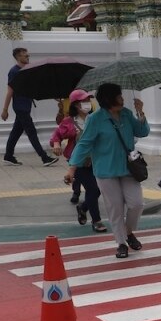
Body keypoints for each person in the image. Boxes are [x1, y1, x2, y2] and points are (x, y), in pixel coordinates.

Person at [64, 83, 149, 259]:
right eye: (118, 95)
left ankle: (128, 231)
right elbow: (84, 144)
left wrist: (140, 112)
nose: (122, 98)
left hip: (128, 168)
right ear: (109, 98)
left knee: (137, 203)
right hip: (105, 171)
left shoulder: (126, 114)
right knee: (115, 208)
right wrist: (72, 169)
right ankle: (121, 243)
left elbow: (142, 131)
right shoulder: (95, 119)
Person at [49, 89, 106, 232]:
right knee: (92, 189)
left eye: (88, 100)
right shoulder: (69, 122)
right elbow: (56, 135)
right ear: (75, 105)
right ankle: (97, 220)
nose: (87, 104)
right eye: (83, 101)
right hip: (78, 162)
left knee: (99, 190)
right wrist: (56, 145)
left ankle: (83, 207)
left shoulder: (96, 118)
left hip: (96, 161)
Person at [1, 47, 58, 167]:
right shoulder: (14, 71)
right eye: (25, 56)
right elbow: (10, 91)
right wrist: (5, 110)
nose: (28, 57)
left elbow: (37, 87)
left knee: (16, 132)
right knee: (32, 132)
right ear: (18, 57)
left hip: (26, 106)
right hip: (20, 107)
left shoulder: (27, 70)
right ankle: (44, 157)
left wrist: (53, 95)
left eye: (28, 55)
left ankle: (8, 156)